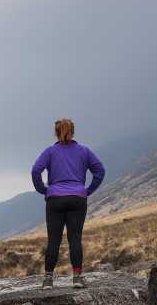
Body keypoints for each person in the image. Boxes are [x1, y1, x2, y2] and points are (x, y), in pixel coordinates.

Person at [30, 118, 105, 288]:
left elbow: (35, 171)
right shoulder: (84, 151)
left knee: (54, 240)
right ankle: (77, 278)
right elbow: (100, 171)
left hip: (55, 198)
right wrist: (87, 190)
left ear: (56, 132)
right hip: (77, 198)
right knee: (75, 238)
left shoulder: (49, 152)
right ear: (73, 131)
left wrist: (45, 190)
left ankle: (48, 280)